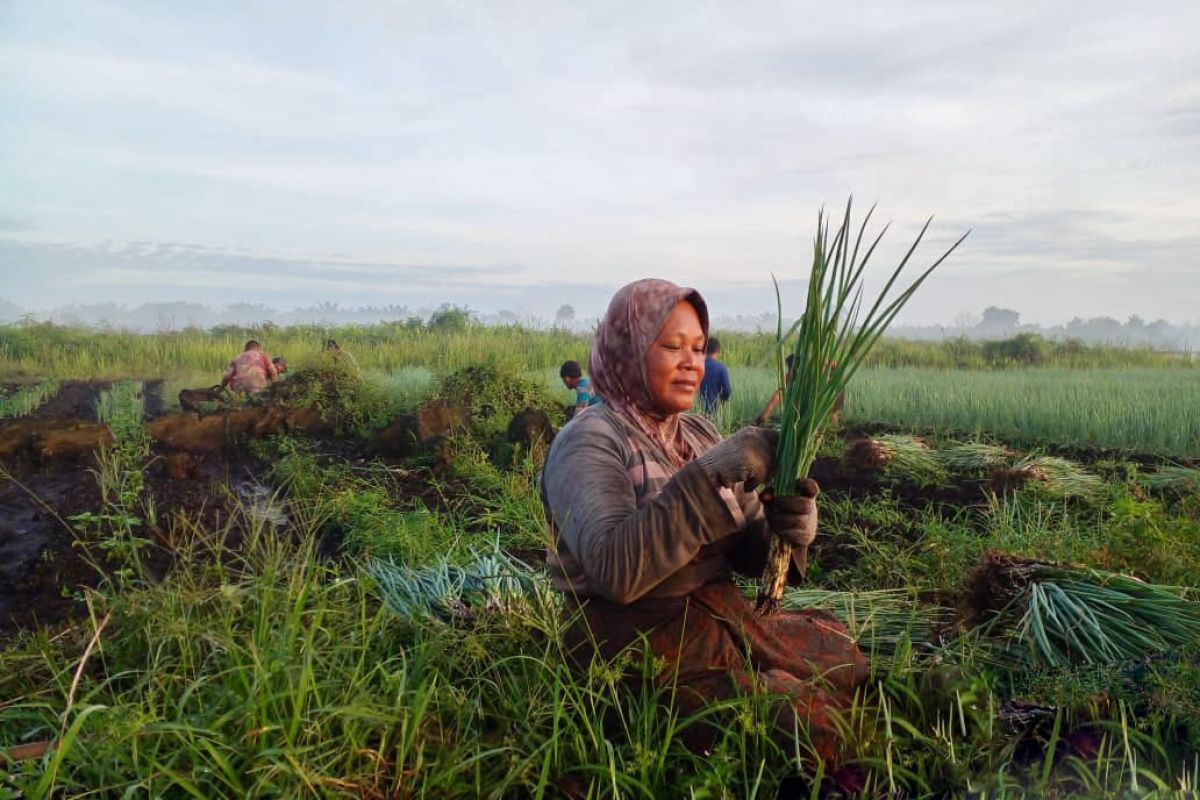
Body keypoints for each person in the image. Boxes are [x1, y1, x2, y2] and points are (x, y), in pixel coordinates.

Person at [541, 279, 867, 778]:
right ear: (627, 351)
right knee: (806, 722)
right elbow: (614, 571)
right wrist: (709, 476)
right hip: (634, 637)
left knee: (839, 654)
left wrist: (790, 528)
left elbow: (747, 549)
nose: (692, 362)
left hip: (716, 616)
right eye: (672, 347)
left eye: (697, 347)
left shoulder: (697, 433)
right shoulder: (589, 440)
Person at [756, 355, 845, 425]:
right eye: (791, 370)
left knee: (832, 411)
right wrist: (765, 415)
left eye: (795, 371)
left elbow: (837, 368)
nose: (793, 373)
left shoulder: (818, 366)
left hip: (833, 383)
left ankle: (835, 430)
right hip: (815, 392)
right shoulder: (790, 374)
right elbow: (779, 393)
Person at [697, 336, 732, 414]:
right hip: (715, 411)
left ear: (705, 350)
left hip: (696, 412)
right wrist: (722, 403)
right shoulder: (721, 368)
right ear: (718, 351)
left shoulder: (697, 366)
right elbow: (727, 391)